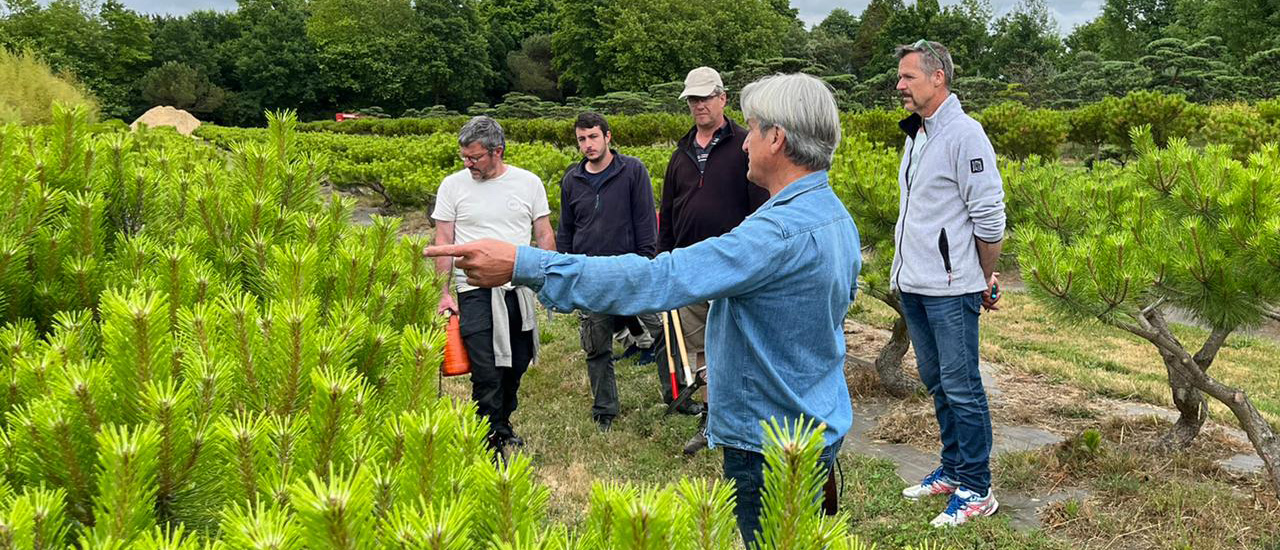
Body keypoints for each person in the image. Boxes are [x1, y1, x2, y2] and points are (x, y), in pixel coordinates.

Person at [425, 73, 859, 547]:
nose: (745, 143)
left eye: (752, 129)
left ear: (776, 139)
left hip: (770, 443)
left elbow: (659, 279)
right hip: (813, 424)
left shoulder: (775, 233)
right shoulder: (833, 215)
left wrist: (523, 262)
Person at [890, 40, 1007, 527]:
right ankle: (954, 468)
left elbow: (989, 217)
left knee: (962, 387)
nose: (899, 85)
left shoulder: (965, 134)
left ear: (938, 78)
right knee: (937, 382)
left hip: (952, 287)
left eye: (908, 77)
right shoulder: (918, 134)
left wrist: (983, 276)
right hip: (915, 285)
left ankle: (977, 487)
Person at [660, 66, 770, 454]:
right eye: (693, 99)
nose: (699, 105)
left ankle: (747, 420)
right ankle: (712, 421)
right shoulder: (681, 153)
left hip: (735, 266)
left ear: (723, 98)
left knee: (739, 344)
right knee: (703, 348)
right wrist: (665, 260)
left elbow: (761, 206)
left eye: (706, 97)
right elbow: (669, 213)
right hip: (691, 266)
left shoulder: (746, 144)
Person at [432, 116, 556, 452]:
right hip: (474, 291)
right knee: (486, 370)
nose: (467, 164)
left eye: (474, 157)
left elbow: (543, 232)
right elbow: (444, 238)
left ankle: (502, 424)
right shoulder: (452, 186)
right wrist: (444, 291)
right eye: (464, 158)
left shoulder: (528, 183)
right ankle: (487, 440)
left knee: (515, 364)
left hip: (518, 288)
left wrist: (551, 277)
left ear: (497, 151)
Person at [557, 111, 665, 432]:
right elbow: (566, 229)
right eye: (581, 139)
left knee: (663, 333)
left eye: (593, 137)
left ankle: (678, 396)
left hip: (631, 271)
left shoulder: (632, 171)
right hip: (590, 275)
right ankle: (605, 409)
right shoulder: (572, 179)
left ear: (608, 137)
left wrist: (646, 263)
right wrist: (566, 269)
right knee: (596, 345)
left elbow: (646, 221)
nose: (587, 145)